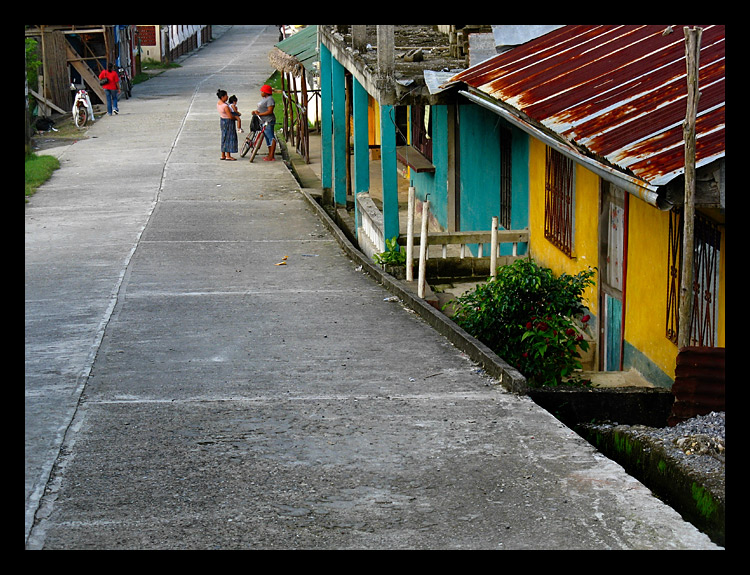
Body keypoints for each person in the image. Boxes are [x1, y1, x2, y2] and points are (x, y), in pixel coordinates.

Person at [251, 84, 276, 161]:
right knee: (267, 138)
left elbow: (270, 111)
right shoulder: (264, 99)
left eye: (262, 91)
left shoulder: (270, 100)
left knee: (270, 137)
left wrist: (260, 114)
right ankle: (270, 154)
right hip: (262, 120)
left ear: (266, 92)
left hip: (268, 121)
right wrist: (256, 112)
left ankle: (271, 155)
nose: (261, 92)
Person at [217, 89, 240, 160]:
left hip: (222, 120)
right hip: (228, 122)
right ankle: (228, 155)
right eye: (226, 95)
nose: (227, 97)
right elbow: (230, 116)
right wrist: (237, 118)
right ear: (222, 97)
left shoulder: (219, 103)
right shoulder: (225, 106)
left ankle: (223, 154)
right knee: (229, 137)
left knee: (224, 136)